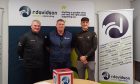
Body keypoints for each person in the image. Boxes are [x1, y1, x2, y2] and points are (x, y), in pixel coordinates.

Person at [17, 20, 48, 84]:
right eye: (35, 25)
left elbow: (44, 49)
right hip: (29, 66)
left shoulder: (42, 36)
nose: (37, 27)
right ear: (31, 26)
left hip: (40, 65)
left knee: (39, 82)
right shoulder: (25, 36)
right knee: (29, 81)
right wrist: (27, 58)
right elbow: (19, 50)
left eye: (38, 26)